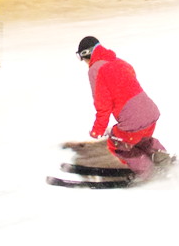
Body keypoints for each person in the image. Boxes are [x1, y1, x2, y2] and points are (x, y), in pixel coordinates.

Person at [69, 35, 170, 177]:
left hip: (134, 119)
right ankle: (160, 156)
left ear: (87, 54)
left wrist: (98, 130)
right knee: (141, 139)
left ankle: (147, 173)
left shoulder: (95, 69)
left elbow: (103, 105)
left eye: (82, 58)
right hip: (150, 111)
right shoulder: (120, 62)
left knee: (118, 144)